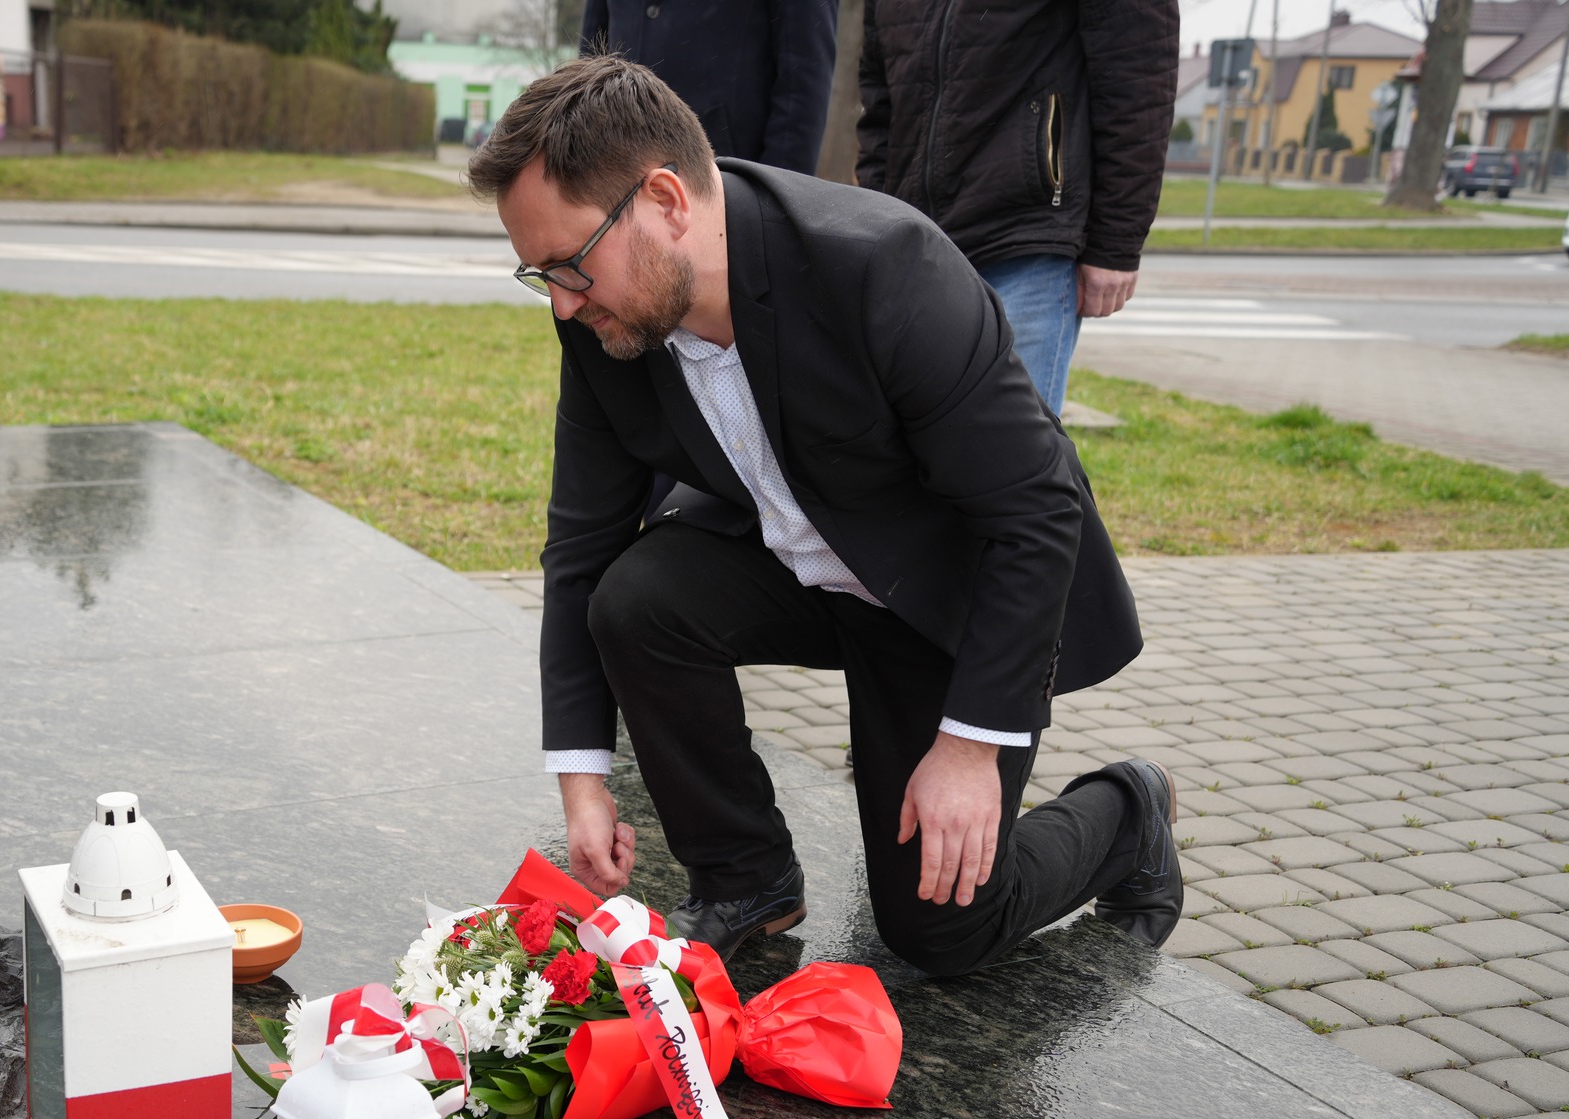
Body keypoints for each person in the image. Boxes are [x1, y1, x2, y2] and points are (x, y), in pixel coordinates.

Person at [469, 57, 1182, 974]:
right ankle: (746, 876)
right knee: (632, 598)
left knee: (942, 929)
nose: (564, 302)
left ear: (666, 201)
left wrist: (968, 748)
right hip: (795, 560)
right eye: (541, 276)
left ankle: (1129, 810)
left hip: (937, 598)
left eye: (570, 265)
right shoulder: (607, 321)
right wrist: (582, 783)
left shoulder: (883, 265)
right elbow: (578, 551)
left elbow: (1037, 513)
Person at [855, 0, 1179, 413]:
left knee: (1010, 461)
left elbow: (1139, 81)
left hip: (1025, 241)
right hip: (911, 247)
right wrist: (875, 217)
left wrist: (1116, 242)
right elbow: (878, 97)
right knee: (904, 459)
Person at [582, 0, 839, 175]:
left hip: (728, 175)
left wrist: (776, 202)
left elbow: (804, 80)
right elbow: (592, 53)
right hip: (615, 168)